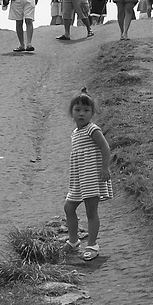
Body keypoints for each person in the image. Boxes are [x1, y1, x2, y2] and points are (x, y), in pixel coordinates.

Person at [64, 87, 112, 262]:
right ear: (72, 113)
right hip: (79, 178)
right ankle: (73, 241)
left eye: (86, 110)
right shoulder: (75, 133)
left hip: (91, 177)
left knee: (91, 211)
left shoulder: (93, 129)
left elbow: (105, 147)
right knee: (69, 207)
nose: (81, 114)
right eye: (77, 110)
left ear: (92, 113)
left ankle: (92, 244)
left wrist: (105, 168)